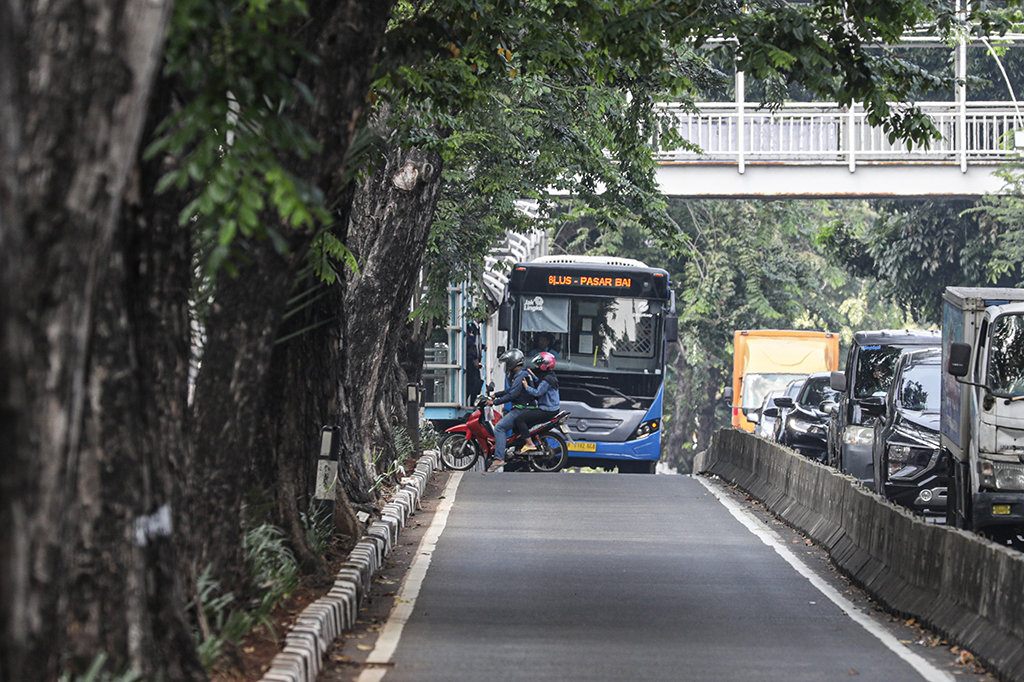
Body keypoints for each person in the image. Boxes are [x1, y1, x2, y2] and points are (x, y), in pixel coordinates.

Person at [485, 349, 535, 472]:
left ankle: (499, 458)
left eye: (508, 363)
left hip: (522, 409)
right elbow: (512, 390)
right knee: (517, 436)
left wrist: (495, 402)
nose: (507, 366)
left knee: (500, 428)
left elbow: (513, 395)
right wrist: (496, 395)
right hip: (525, 407)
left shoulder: (520, 375)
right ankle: (525, 464)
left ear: (513, 362)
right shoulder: (522, 373)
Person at [515, 352, 560, 452]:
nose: (536, 366)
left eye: (538, 364)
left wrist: (526, 387)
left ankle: (529, 443)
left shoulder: (547, 380)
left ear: (545, 365)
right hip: (552, 408)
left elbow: (537, 393)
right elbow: (540, 384)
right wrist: (533, 375)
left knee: (520, 419)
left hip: (547, 409)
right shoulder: (550, 376)